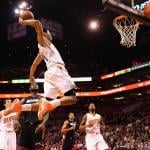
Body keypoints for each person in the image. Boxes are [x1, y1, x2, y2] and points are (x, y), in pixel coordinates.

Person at [18, 10, 77, 121]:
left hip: (49, 75)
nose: (51, 34)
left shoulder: (42, 51)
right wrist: (23, 21)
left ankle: (21, 107)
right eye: (49, 32)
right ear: (44, 34)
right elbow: (37, 24)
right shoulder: (43, 41)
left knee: (45, 103)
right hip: (57, 70)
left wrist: (31, 78)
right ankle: (52, 104)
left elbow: (34, 65)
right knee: (72, 98)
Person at [17, 85, 49, 150]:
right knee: (23, 147)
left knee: (37, 147)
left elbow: (47, 112)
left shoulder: (42, 98)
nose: (34, 85)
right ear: (30, 88)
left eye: (35, 85)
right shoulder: (24, 99)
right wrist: (17, 121)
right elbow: (19, 111)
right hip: (26, 126)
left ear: (38, 88)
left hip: (37, 126)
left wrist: (43, 124)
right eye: (32, 85)